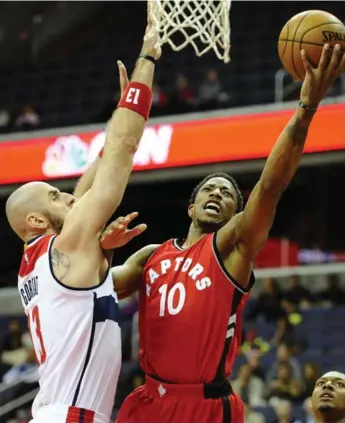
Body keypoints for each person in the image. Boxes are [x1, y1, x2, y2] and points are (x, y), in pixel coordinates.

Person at [77, 44, 345, 423]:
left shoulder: (232, 250)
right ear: (191, 206)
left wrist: (306, 110)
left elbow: (269, 188)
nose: (217, 193)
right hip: (148, 401)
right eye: (210, 189)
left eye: (227, 194)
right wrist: (102, 251)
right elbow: (89, 287)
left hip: (204, 407)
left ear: (237, 213)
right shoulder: (151, 255)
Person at [5, 4, 161, 422]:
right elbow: (123, 152)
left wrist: (120, 111)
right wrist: (147, 59)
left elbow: (102, 160)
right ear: (36, 221)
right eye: (56, 196)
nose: (70, 198)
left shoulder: (35, 264)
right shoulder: (68, 244)